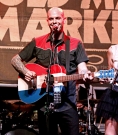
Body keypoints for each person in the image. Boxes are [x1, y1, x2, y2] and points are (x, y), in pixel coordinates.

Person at [11, 7, 93, 135]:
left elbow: (82, 68)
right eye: (51, 19)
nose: (54, 21)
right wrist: (25, 71)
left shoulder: (75, 43)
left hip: (68, 103)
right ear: (47, 21)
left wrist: (87, 74)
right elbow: (15, 60)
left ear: (64, 20)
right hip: (45, 105)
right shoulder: (38, 42)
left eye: (58, 18)